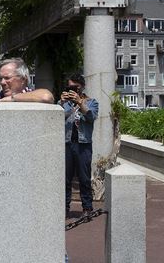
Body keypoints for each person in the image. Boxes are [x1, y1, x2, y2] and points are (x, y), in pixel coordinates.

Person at [60, 73, 98, 219]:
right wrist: (62, 104)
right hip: (68, 144)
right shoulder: (64, 104)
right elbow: (55, 119)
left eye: (74, 87)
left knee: (84, 178)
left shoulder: (92, 102)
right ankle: (64, 208)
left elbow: (91, 117)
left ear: (81, 87)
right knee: (66, 179)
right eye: (69, 87)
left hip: (84, 145)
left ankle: (87, 208)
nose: (71, 90)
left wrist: (80, 103)